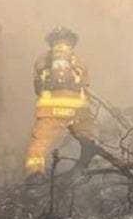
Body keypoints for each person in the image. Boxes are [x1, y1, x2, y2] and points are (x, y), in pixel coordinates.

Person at [24, 26, 96, 179]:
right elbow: (85, 87)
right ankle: (84, 170)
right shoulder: (80, 61)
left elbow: (37, 88)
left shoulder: (40, 60)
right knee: (87, 139)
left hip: (50, 111)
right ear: (72, 42)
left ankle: (34, 175)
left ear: (51, 42)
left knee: (39, 143)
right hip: (78, 111)